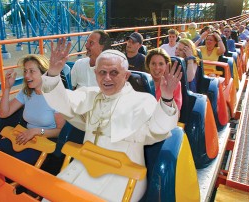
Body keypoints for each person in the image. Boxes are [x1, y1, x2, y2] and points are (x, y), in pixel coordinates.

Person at [41, 38, 182, 201]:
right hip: (84, 165)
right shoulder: (89, 94)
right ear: (96, 73)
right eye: (102, 72)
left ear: (126, 75)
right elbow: (62, 102)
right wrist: (52, 74)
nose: (107, 78)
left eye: (114, 72)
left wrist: (166, 98)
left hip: (124, 174)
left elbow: (160, 128)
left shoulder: (142, 100)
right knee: (50, 198)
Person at [0, 54, 66, 165]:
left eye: (31, 71)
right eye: (25, 71)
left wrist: (36, 131)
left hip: (44, 143)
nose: (26, 76)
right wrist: (7, 88)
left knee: (11, 166)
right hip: (24, 138)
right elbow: (4, 114)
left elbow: (61, 131)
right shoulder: (26, 93)